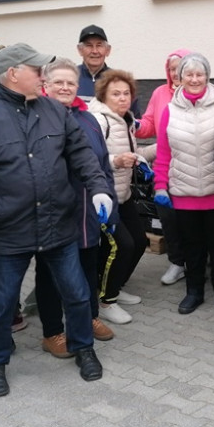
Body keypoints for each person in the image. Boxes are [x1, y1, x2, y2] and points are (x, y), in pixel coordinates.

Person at [0, 43, 115, 397]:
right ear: (13, 73)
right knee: (1, 302)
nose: (44, 76)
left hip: (59, 224)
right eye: (37, 70)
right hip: (10, 228)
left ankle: (83, 348)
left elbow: (81, 154)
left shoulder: (55, 112)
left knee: (76, 293)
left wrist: (99, 187)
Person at [37, 58, 117, 355]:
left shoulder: (90, 119)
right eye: (58, 82)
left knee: (88, 269)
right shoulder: (38, 118)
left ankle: (88, 317)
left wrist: (111, 204)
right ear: (45, 85)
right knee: (50, 275)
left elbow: (102, 165)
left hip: (89, 212)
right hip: (55, 214)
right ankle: (53, 332)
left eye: (71, 82)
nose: (65, 87)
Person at [154, 53, 214, 315]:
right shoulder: (170, 111)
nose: (194, 79)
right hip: (184, 193)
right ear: (180, 78)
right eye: (189, 74)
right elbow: (164, 152)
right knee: (192, 248)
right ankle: (194, 292)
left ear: (207, 77)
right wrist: (160, 185)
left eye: (200, 74)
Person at [89, 69, 149, 322]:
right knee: (120, 245)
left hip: (122, 195)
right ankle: (106, 300)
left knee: (139, 241)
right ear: (104, 95)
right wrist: (116, 161)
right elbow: (91, 158)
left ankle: (114, 286)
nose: (123, 98)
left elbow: (132, 152)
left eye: (126, 93)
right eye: (116, 94)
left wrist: (153, 153)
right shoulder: (98, 121)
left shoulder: (125, 120)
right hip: (103, 198)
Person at [137, 49, 190, 286]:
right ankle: (178, 262)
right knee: (169, 218)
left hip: (191, 167)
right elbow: (149, 123)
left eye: (181, 67)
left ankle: (196, 261)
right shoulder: (159, 93)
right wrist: (135, 125)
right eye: (171, 68)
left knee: (191, 217)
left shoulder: (199, 93)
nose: (175, 72)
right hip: (165, 167)